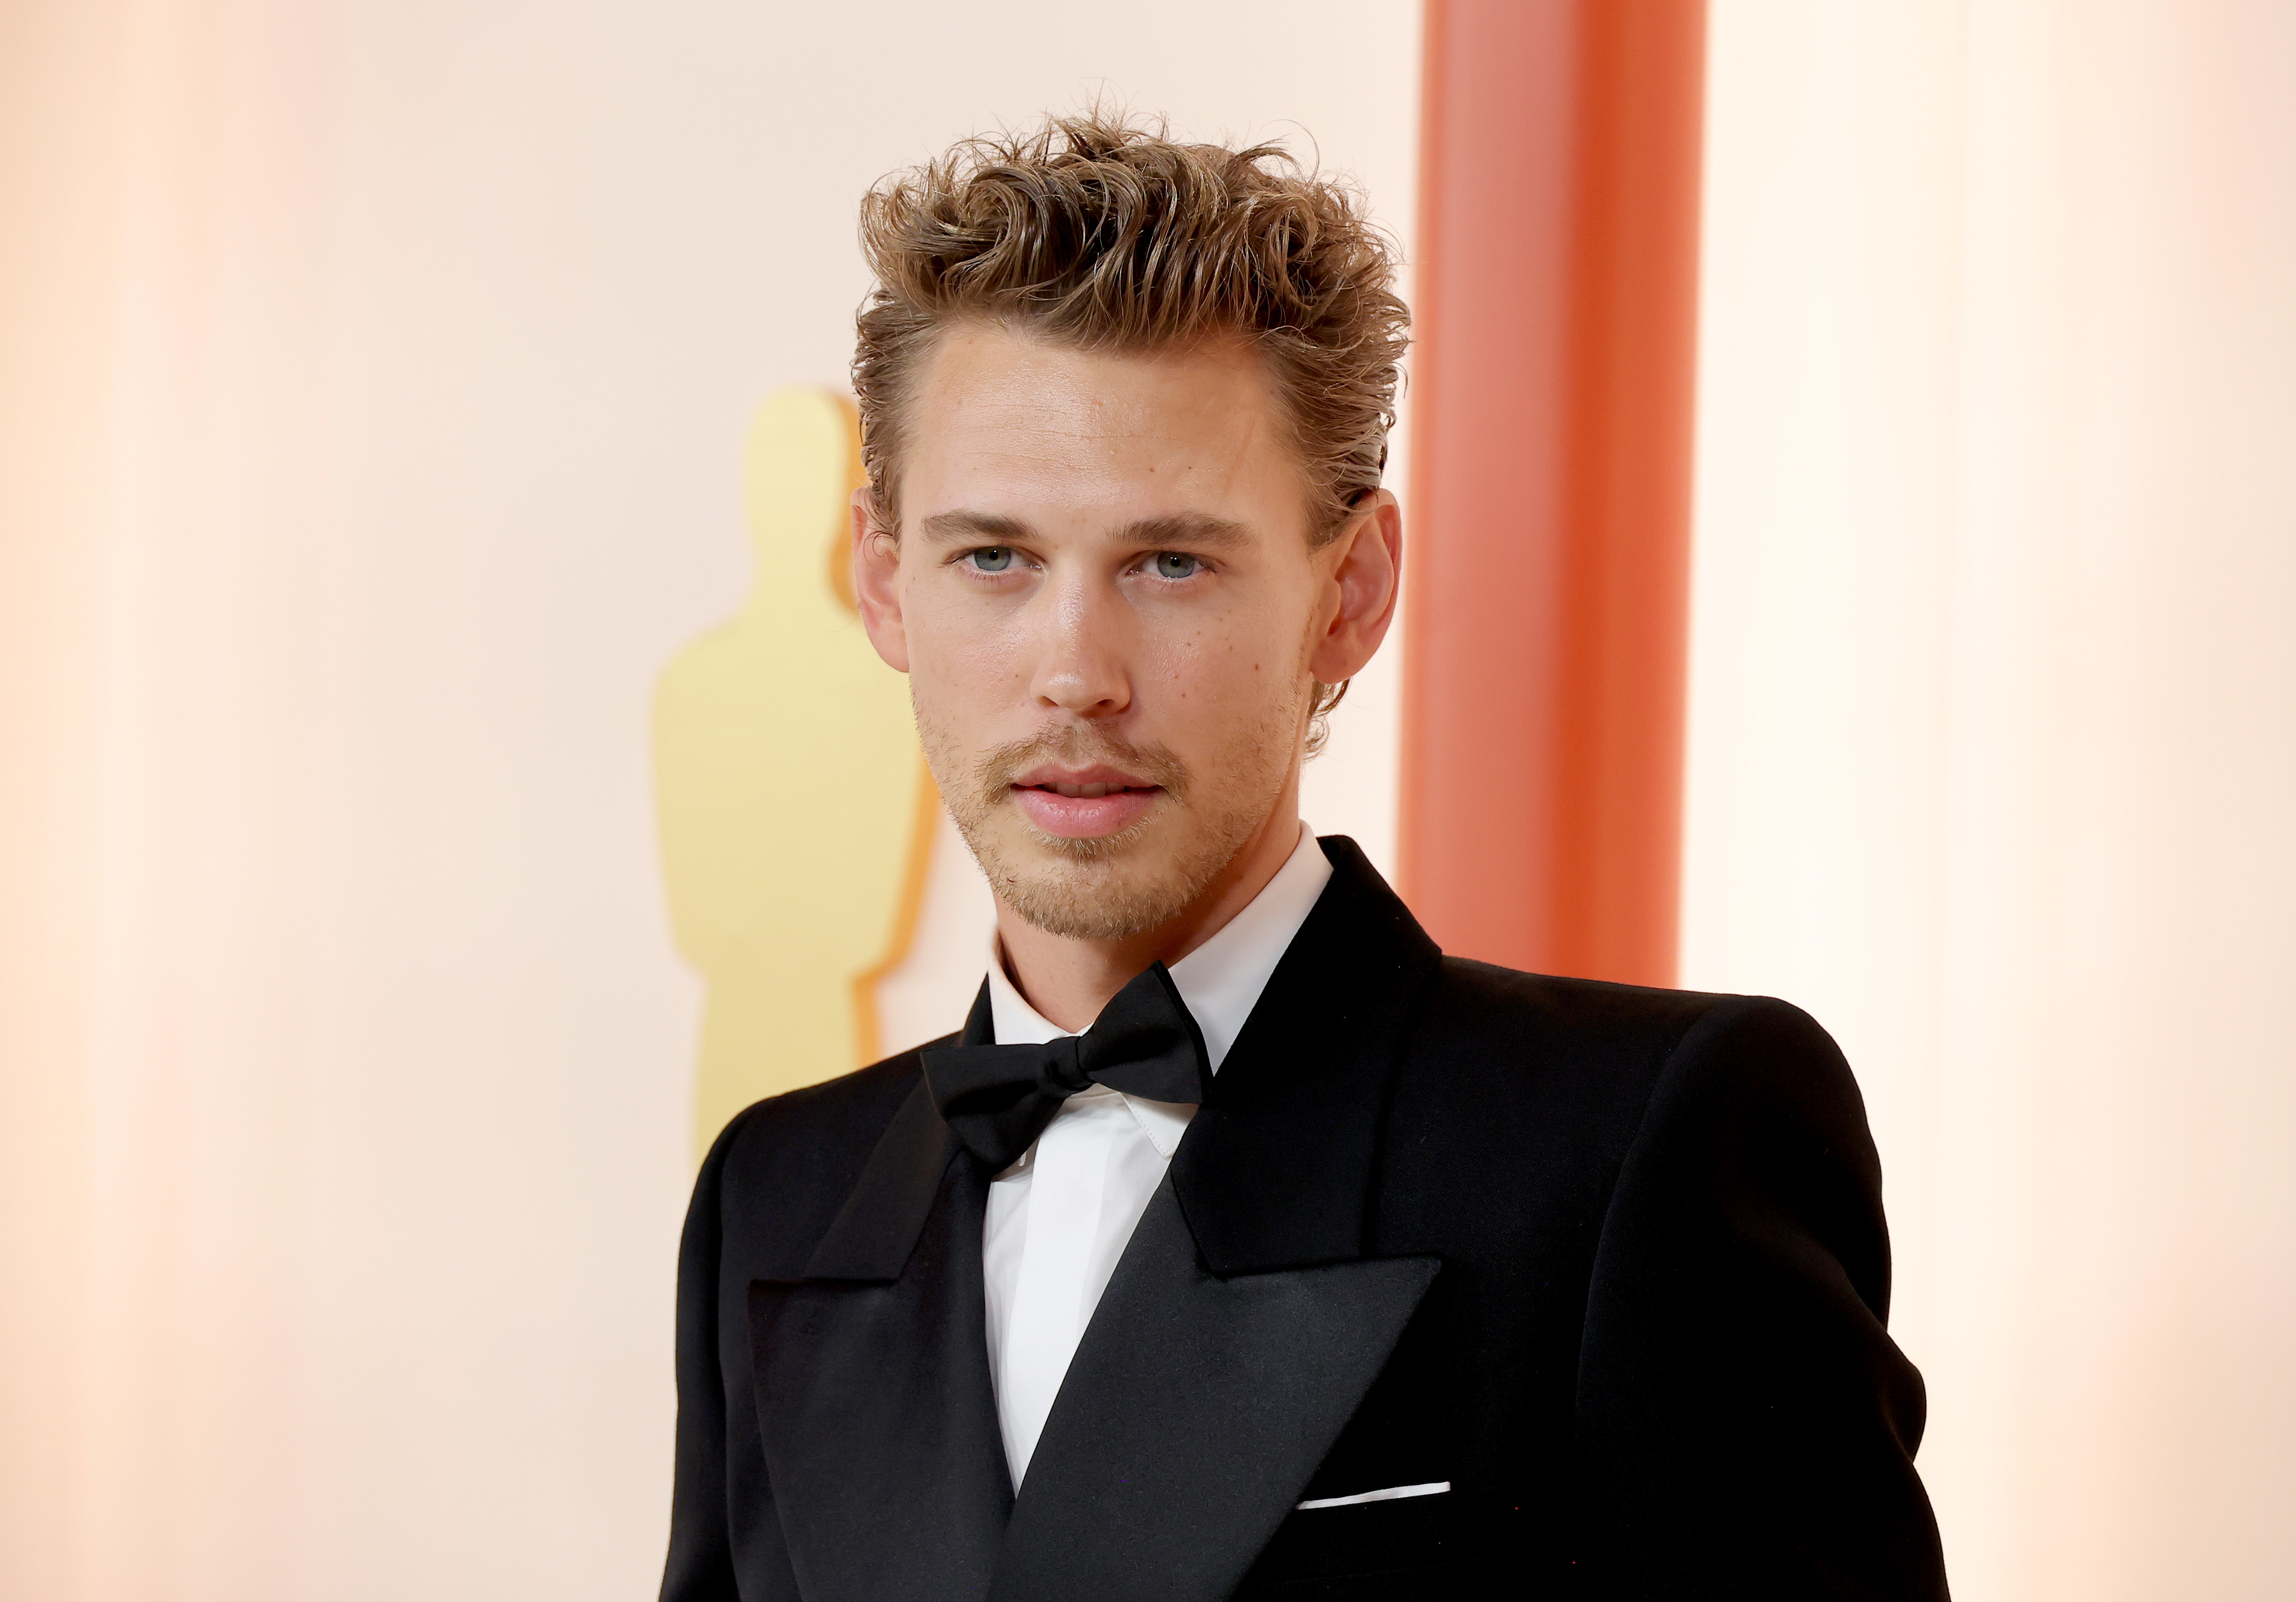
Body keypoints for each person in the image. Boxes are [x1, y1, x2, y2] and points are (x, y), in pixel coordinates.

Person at [660, 112, 1947, 1602]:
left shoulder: (1642, 1142)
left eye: (1170, 562)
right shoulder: (779, 1192)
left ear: (1350, 593)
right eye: (994, 558)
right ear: (885, 588)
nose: (1074, 670)